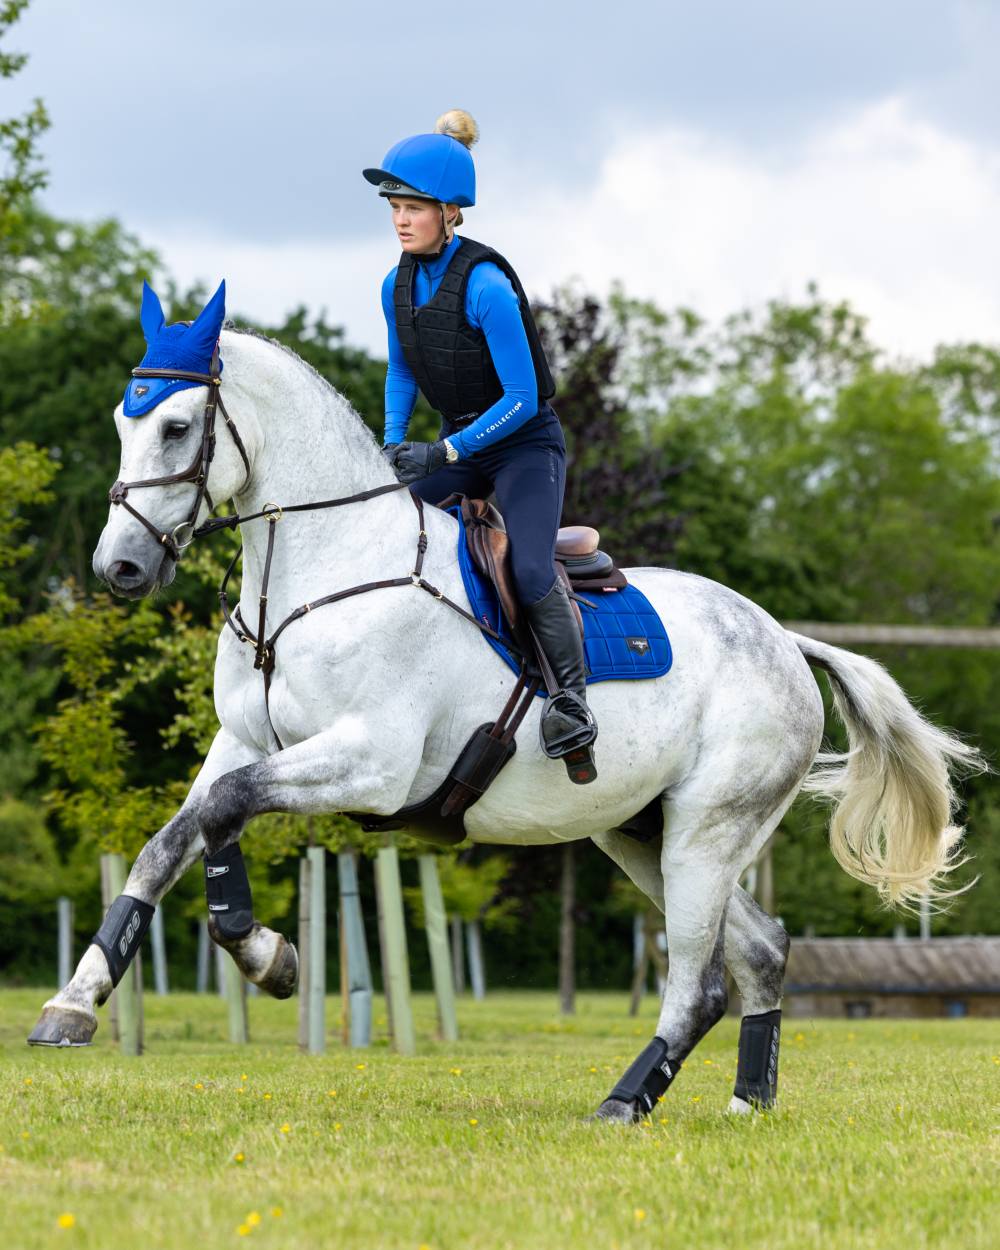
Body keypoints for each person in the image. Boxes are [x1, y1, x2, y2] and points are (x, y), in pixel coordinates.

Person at [363, 109, 598, 783]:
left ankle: (571, 703)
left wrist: (445, 453)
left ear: (449, 213)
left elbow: (524, 398)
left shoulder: (488, 287)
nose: (401, 220)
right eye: (394, 208)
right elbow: (403, 368)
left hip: (523, 449)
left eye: (412, 208)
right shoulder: (395, 283)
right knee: (390, 529)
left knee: (526, 570)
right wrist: (392, 445)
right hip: (458, 448)